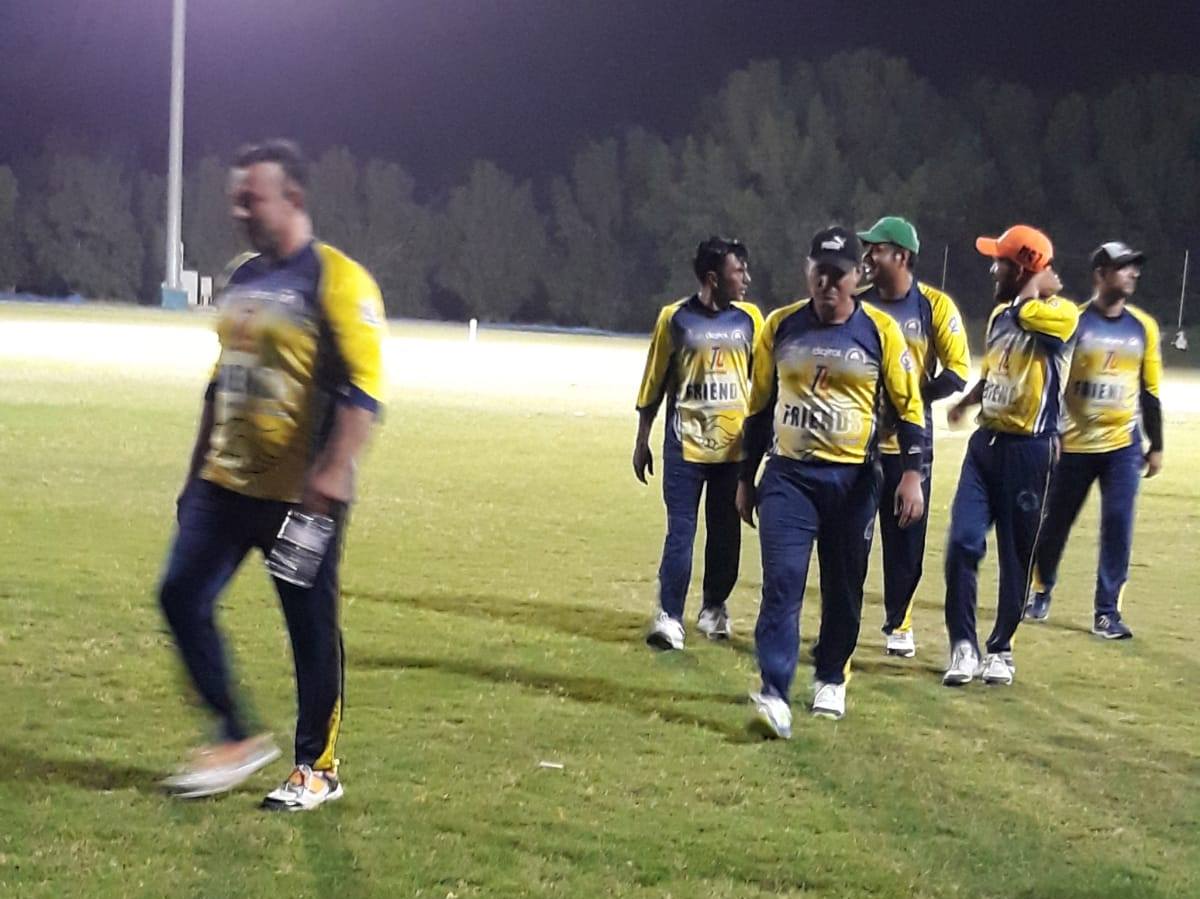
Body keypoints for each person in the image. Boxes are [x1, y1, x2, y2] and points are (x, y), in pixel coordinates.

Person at [158, 139, 386, 810]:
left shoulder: (336, 280)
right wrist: (195, 472)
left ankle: (317, 767)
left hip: (300, 496)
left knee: (309, 628)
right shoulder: (242, 279)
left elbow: (364, 390)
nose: (239, 210)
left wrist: (333, 473)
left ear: (293, 198)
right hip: (225, 486)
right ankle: (234, 737)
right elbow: (221, 380)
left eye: (250, 198)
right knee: (179, 595)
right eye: (237, 198)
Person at [738, 226, 926, 736]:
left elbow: (910, 409)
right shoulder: (780, 326)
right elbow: (758, 407)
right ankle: (775, 691)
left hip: (854, 481)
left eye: (837, 274)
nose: (827, 283)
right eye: (819, 272)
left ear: (857, 276)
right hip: (789, 478)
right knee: (782, 582)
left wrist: (912, 474)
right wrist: (745, 477)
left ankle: (831, 676)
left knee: (843, 588)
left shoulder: (881, 331)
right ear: (808, 272)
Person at [942, 225, 1078, 687]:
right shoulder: (1002, 313)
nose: (992, 270)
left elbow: (1032, 318)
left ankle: (1001, 649)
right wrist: (966, 402)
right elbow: (993, 373)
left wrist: (1033, 289)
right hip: (986, 446)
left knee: (1016, 557)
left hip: (1029, 450)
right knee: (963, 542)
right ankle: (963, 646)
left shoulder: (1061, 314)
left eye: (1000, 262)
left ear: (1020, 268)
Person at [1027, 242, 1163, 639]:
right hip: (1074, 445)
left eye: (1135, 267)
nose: (1133, 274)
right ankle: (1041, 588)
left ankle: (1107, 612)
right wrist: (1051, 432)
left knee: (1118, 524)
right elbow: (1051, 382)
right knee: (1056, 524)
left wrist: (1156, 444)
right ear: (1100, 274)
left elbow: (1150, 389)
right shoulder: (1075, 322)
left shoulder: (1143, 327)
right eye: (1124, 267)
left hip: (1122, 446)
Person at [634, 237, 762, 650]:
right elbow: (654, 380)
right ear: (713, 278)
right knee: (681, 532)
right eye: (738, 271)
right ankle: (670, 616)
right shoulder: (675, 319)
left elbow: (763, 382)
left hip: (732, 451)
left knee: (725, 534)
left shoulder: (750, 319)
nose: (746, 278)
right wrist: (642, 440)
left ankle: (714, 606)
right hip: (684, 448)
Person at [857, 216, 970, 658]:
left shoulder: (933, 306)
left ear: (901, 256)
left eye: (877, 249)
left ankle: (899, 622)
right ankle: (843, 619)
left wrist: (908, 402)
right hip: (859, 447)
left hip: (910, 449)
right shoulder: (857, 305)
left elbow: (957, 372)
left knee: (905, 542)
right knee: (851, 539)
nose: (868, 256)